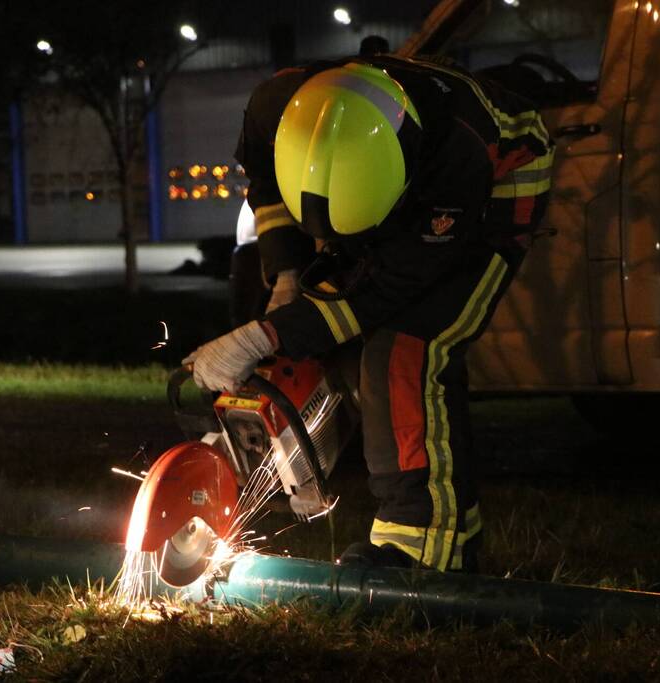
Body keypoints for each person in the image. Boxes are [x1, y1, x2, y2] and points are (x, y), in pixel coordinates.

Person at [183, 54, 554, 572]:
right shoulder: (273, 109)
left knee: (408, 347)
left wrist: (263, 336)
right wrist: (287, 273)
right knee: (321, 331)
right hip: (404, 189)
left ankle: (426, 545)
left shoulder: (459, 158)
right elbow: (267, 188)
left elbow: (385, 290)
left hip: (503, 184)